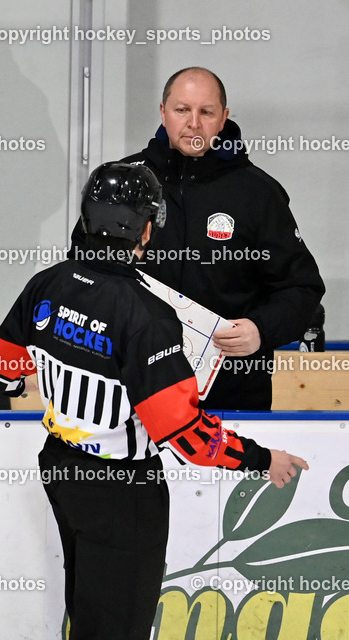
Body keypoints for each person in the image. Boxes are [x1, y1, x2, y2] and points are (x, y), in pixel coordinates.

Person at [0, 162, 308, 640]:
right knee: (115, 636)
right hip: (122, 490)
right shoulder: (146, 315)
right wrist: (263, 459)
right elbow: (187, 437)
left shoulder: (47, 283)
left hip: (62, 468)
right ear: (146, 230)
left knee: (91, 618)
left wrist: (56, 361)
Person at [72, 66, 325, 410]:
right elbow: (80, 273)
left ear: (223, 119)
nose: (193, 123)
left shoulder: (258, 193)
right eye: (182, 110)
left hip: (231, 396)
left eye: (206, 112)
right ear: (163, 112)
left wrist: (261, 330)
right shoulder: (124, 185)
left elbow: (301, 288)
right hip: (128, 391)